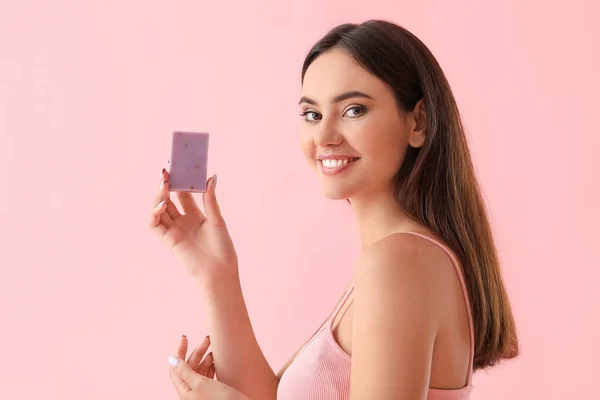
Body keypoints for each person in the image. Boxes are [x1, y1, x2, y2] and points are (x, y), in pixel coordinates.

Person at [150, 19, 519, 400]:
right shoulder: (397, 260)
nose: (324, 137)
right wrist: (216, 272)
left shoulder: (399, 262)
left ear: (418, 122)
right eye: (312, 114)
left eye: (354, 110)